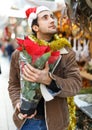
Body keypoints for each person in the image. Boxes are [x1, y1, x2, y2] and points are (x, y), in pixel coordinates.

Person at [8, 6, 82, 130]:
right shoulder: (20, 53)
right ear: (35, 27)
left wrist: (49, 80)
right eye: (45, 18)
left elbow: (76, 85)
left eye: (52, 17)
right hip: (27, 122)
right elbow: (13, 84)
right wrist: (17, 102)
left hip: (55, 123)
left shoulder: (66, 53)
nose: (52, 20)